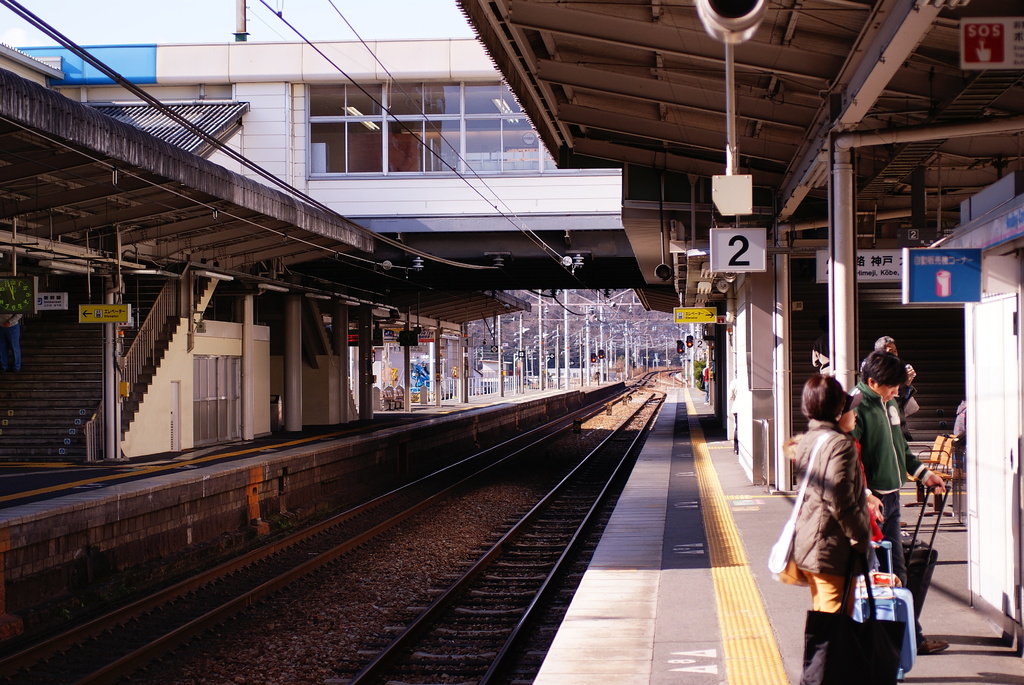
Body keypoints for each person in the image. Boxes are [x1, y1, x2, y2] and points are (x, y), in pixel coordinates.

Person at [852, 350, 949, 655]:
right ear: (871, 381)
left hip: (891, 498)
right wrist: (865, 494)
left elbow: (900, 447)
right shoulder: (857, 406)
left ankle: (904, 640)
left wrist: (924, 474)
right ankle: (879, 645)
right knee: (874, 577)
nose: (897, 391)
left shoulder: (889, 402)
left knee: (897, 571)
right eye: (892, 386)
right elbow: (850, 458)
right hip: (872, 503)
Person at [791, 375, 872, 614]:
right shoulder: (839, 444)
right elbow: (838, 496)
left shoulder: (810, 439)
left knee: (826, 622)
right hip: (831, 545)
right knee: (834, 625)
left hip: (811, 540)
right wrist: (860, 534)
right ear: (837, 411)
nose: (856, 415)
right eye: (850, 409)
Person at [873, 336, 918, 441]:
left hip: (898, 428)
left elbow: (900, 403)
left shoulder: (897, 371)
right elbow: (888, 400)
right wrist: (903, 384)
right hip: (884, 429)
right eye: (890, 351)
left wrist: (906, 384)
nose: (894, 354)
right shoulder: (875, 373)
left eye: (895, 351)